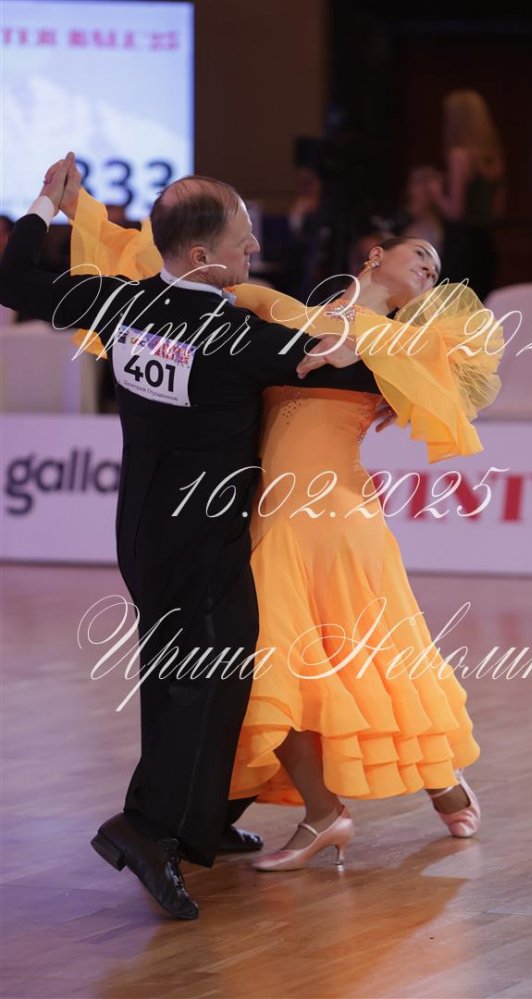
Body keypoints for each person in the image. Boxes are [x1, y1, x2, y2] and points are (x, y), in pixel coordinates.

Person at [68, 185, 504, 872]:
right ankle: (324, 811)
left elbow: (440, 379)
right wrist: (81, 213)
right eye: (419, 253)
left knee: (375, 658)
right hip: (268, 516)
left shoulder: (408, 348)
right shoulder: (279, 311)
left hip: (338, 520)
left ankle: (443, 783)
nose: (429, 267)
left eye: (436, 268)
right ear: (376, 254)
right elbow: (170, 265)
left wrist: (373, 356)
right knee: (274, 664)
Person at [0, 154, 382, 918]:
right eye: (244, 240)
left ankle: (200, 819)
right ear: (204, 254)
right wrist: (390, 326)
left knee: (189, 671)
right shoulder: (236, 335)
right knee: (203, 679)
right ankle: (147, 830)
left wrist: (45, 201)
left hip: (144, 526)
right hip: (204, 534)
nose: (255, 250)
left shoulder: (118, 301)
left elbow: (13, 279)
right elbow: (355, 373)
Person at [429, 90, 505, 300]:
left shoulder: (459, 156)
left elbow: (456, 212)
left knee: (454, 308)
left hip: (461, 245)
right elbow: (497, 209)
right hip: (485, 243)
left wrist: (436, 193)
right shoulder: (494, 158)